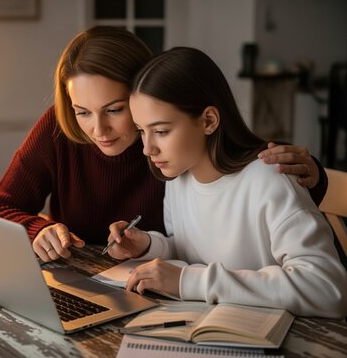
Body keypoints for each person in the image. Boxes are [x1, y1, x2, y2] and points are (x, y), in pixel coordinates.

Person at [0, 26, 327, 263]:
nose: (98, 129)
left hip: (165, 291)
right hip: (94, 282)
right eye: (82, 112)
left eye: (115, 109)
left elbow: (243, 167)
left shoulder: (178, 143)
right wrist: (38, 229)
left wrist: (314, 173)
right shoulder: (61, 128)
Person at [106, 47, 347, 318]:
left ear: (208, 120)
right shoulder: (178, 177)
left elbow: (327, 289)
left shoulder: (269, 179)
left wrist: (190, 281)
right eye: (141, 131)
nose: (147, 148)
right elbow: (189, 247)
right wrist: (147, 245)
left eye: (161, 131)